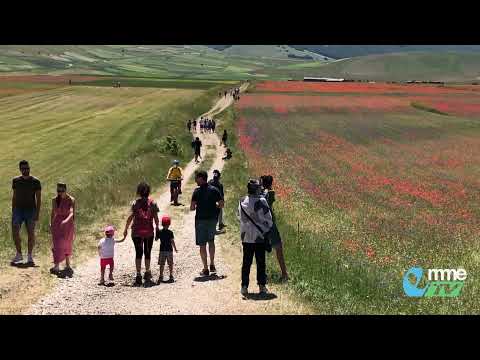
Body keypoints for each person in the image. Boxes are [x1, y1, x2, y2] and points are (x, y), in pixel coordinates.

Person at [238, 179, 273, 296]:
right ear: (257, 189)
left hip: (246, 236)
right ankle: (262, 285)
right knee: (261, 262)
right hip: (259, 237)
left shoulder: (242, 200)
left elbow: (240, 217)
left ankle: (244, 286)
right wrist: (264, 229)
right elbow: (269, 220)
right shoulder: (262, 201)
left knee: (246, 262)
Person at [123, 182, 160, 286]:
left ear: (139, 192)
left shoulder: (135, 203)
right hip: (149, 232)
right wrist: (157, 228)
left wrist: (125, 229)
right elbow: (156, 218)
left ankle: (138, 274)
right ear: (148, 192)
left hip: (136, 232)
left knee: (138, 252)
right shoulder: (152, 203)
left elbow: (130, 218)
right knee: (147, 252)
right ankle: (147, 272)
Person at [190, 170, 224, 276]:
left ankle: (205, 268)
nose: (195, 180)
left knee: (202, 245)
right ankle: (212, 264)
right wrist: (215, 208)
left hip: (200, 220)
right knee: (211, 242)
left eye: (196, 178)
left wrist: (196, 205)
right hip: (212, 220)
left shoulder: (196, 191)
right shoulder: (214, 190)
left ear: (201, 178)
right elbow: (221, 204)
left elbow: (192, 208)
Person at [11, 160, 42, 266]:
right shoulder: (15, 181)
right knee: (15, 231)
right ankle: (19, 254)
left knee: (31, 233)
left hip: (30, 210)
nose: (26, 170)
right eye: (24, 169)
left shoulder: (35, 181)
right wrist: (13, 210)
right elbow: (14, 196)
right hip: (18, 210)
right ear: (20, 169)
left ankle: (29, 256)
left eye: (27, 168)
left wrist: (37, 213)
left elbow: (38, 199)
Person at [260, 175, 289, 281]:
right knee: (278, 247)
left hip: (260, 225)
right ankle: (284, 274)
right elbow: (271, 198)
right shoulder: (270, 193)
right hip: (270, 224)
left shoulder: (260, 193)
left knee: (261, 249)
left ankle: (263, 274)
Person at [49, 183, 75, 277]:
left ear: (65, 190)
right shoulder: (54, 200)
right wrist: (51, 222)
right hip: (57, 224)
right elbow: (53, 212)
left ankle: (67, 264)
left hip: (68, 224)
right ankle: (56, 265)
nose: (60, 193)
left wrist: (66, 221)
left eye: (62, 191)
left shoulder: (71, 200)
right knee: (57, 244)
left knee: (67, 243)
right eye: (58, 191)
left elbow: (72, 213)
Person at [156, 215, 177, 284]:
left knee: (162, 264)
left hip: (162, 250)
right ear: (169, 224)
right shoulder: (170, 232)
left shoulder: (160, 232)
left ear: (162, 224)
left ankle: (161, 276)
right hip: (169, 250)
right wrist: (175, 248)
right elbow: (172, 241)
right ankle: (171, 275)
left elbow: (156, 239)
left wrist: (156, 231)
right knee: (170, 264)